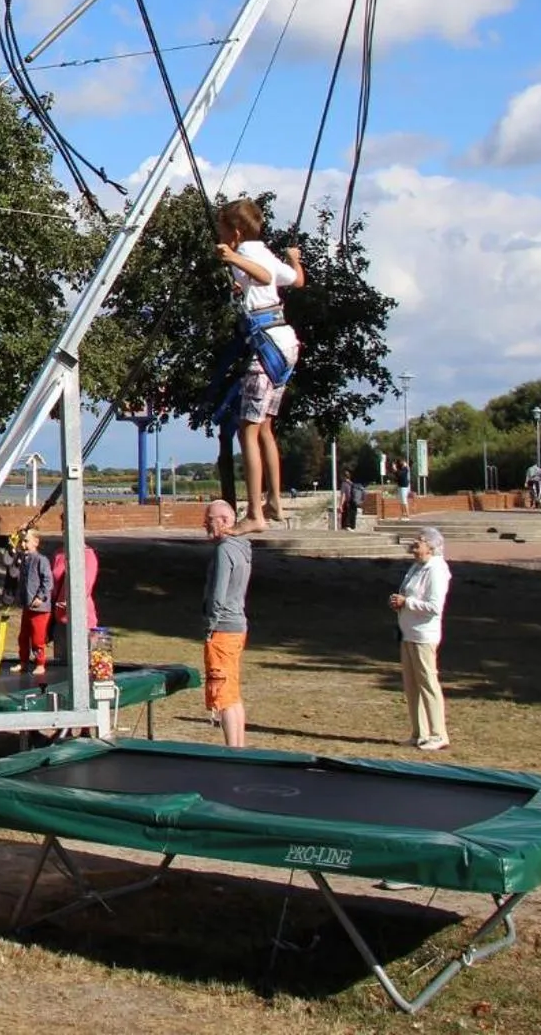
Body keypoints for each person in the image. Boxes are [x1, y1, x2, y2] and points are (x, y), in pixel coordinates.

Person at [215, 198, 304, 526]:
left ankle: (254, 513)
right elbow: (296, 280)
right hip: (285, 342)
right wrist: (294, 260)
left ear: (236, 233)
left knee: (247, 430)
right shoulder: (263, 251)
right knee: (265, 427)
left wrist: (233, 257)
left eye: (223, 230)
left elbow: (265, 277)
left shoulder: (247, 254)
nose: (220, 236)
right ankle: (274, 503)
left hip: (267, 345)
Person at [202, 499, 263, 748]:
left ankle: (232, 750)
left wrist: (210, 625)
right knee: (233, 692)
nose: (205, 525)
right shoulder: (242, 547)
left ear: (225, 520)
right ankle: (239, 748)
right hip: (238, 625)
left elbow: (218, 593)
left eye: (209, 520)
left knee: (223, 695)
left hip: (224, 628)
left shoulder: (225, 550)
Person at [390, 526, 452, 751]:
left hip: (424, 635)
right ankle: (419, 733)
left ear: (431, 547)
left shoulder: (437, 570)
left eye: (420, 542)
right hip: (408, 632)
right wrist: (399, 602)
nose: (415, 545)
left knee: (427, 683)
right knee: (411, 684)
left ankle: (438, 734)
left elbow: (434, 607)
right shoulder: (416, 567)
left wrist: (407, 603)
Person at [50, 535, 99, 669]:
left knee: (84, 668)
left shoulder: (87, 555)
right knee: (62, 667)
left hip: (82, 620)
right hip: (61, 620)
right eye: (63, 527)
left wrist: (72, 602)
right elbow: (53, 583)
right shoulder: (59, 554)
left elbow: (86, 584)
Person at [16, 526, 54, 681]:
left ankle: (40, 663)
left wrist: (40, 596)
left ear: (36, 542)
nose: (23, 545)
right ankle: (23, 661)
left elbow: (48, 581)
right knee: (23, 636)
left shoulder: (41, 560)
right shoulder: (23, 559)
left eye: (26, 541)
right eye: (21, 541)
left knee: (38, 638)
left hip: (39, 607)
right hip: (27, 605)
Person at [389, 455, 412, 520]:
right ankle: (403, 515)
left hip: (404, 487)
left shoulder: (405, 469)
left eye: (402, 462)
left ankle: (407, 516)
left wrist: (395, 469)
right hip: (400, 486)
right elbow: (397, 475)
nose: (401, 463)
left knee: (404, 501)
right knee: (401, 501)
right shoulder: (402, 468)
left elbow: (400, 474)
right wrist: (394, 470)